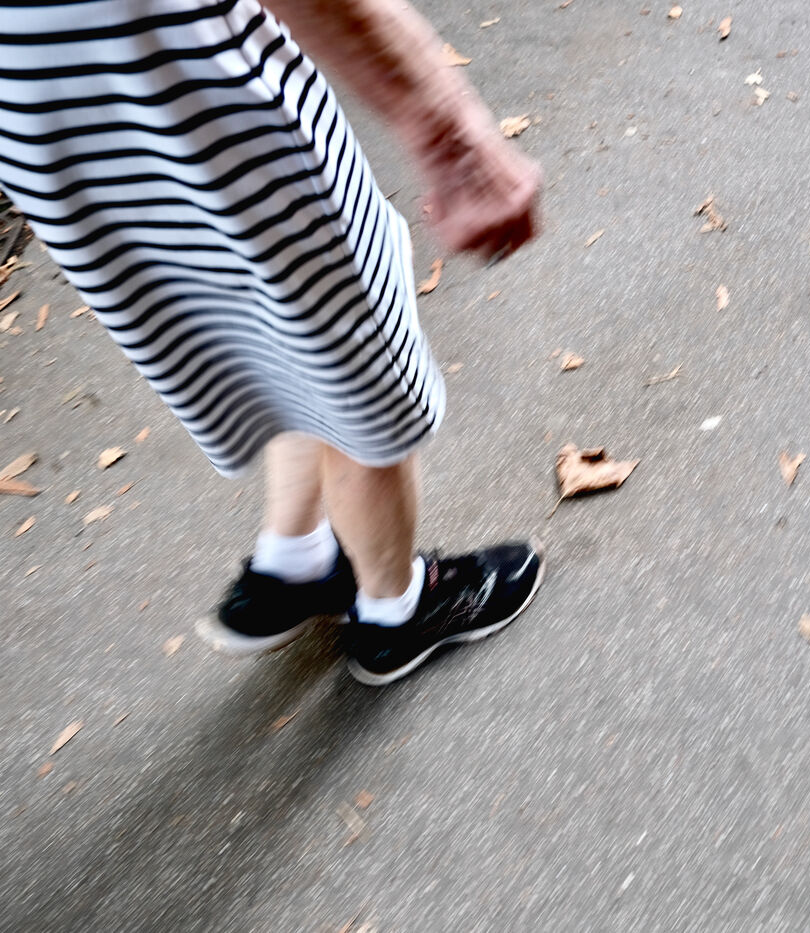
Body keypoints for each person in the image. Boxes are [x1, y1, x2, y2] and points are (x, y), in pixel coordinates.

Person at [0, 0, 544, 685]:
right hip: (219, 134)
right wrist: (450, 134)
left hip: (74, 174)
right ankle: (396, 610)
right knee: (357, 378)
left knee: (273, 346)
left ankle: (294, 565)